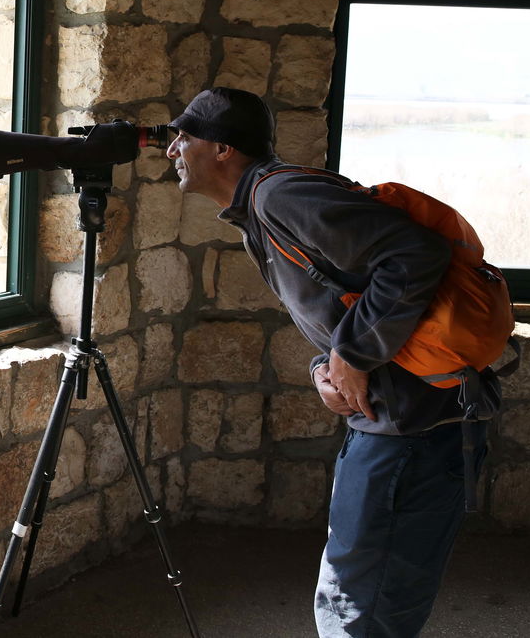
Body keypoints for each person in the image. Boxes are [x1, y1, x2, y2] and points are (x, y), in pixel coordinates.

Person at [164, 86, 497, 638]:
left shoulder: (280, 196)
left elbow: (415, 255)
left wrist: (353, 354)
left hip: (413, 426)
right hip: (401, 417)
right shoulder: (263, 206)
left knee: (364, 596)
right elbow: (346, 293)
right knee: (365, 586)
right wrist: (329, 365)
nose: (173, 149)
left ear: (223, 149)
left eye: (185, 136)